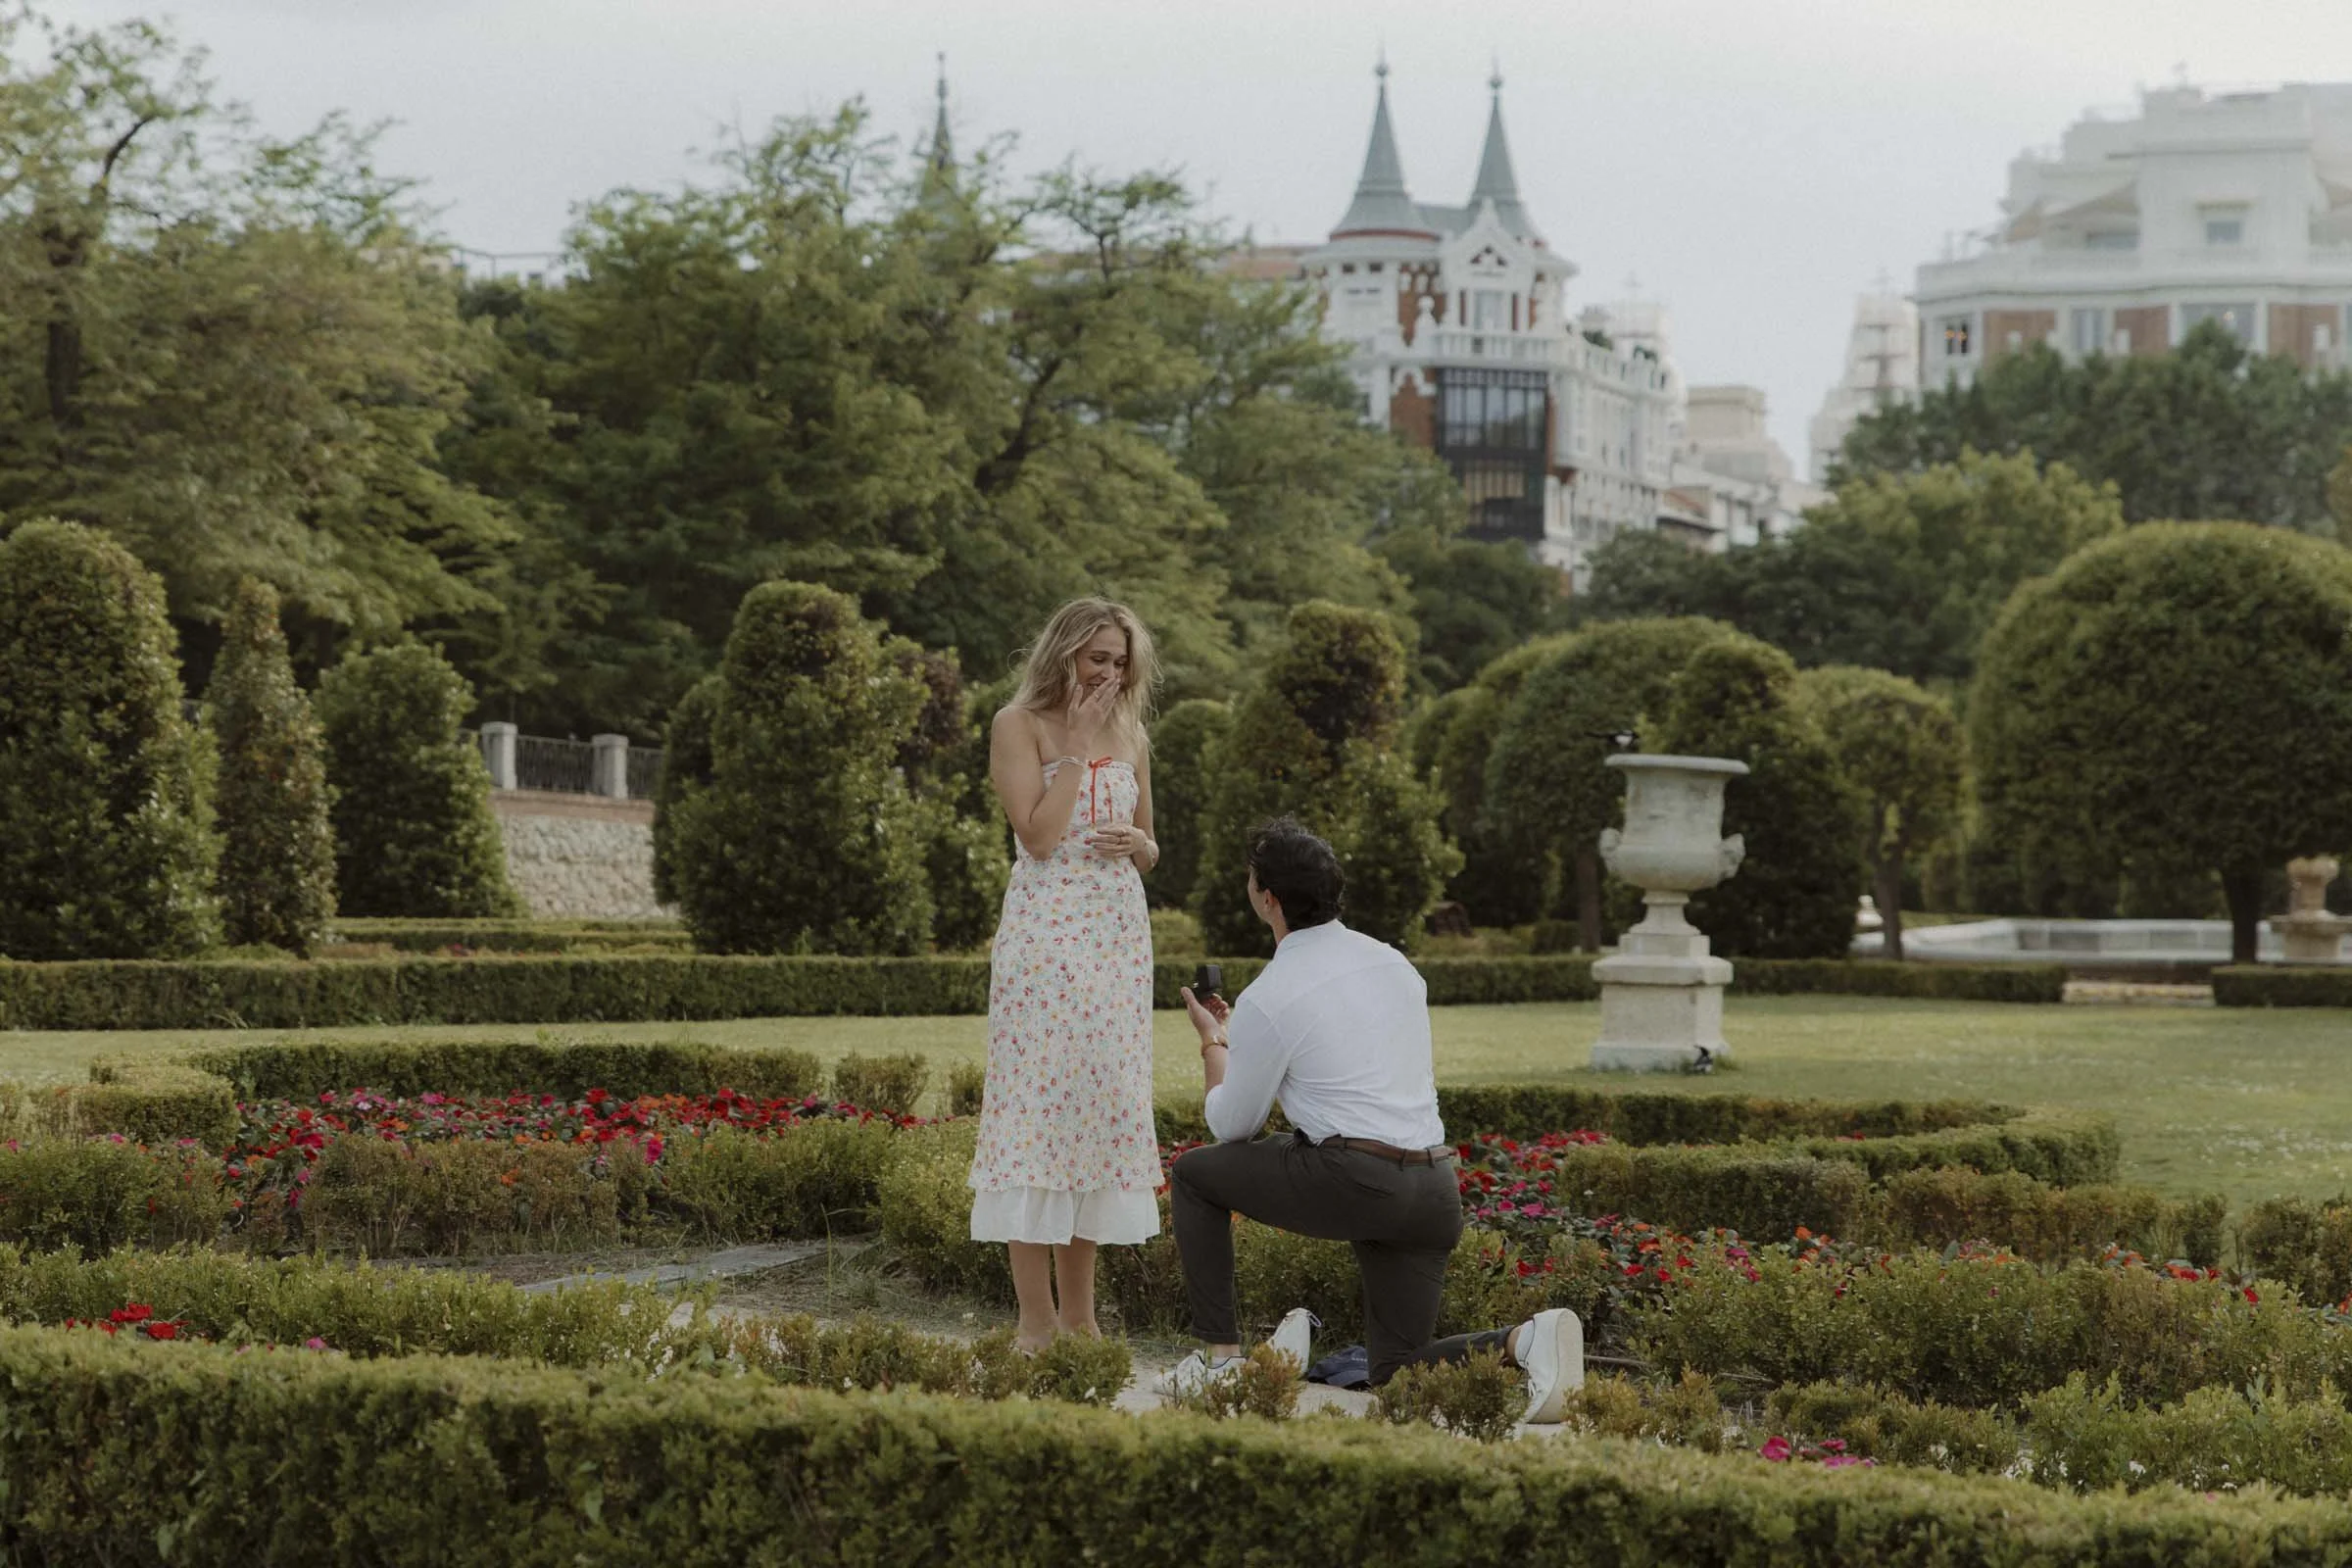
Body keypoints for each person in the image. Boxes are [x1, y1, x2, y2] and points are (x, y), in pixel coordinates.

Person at [1160, 817, 1582, 1422]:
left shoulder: (1271, 994)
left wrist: (1214, 1043)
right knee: (1396, 1372)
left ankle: (1220, 1361)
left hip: (1357, 1180)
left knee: (1196, 1174)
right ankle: (1524, 1339)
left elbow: (1232, 1127)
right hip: (1435, 1190)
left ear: (1267, 897)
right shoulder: (1395, 966)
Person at [968, 598, 1164, 1353]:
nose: (1110, 674)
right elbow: (1041, 838)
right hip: (1047, 938)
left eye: (1120, 662)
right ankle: (1035, 1320)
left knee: (1097, 1113)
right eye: (1098, 659)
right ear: (1065, 654)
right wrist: (1077, 748)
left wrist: (1139, 845)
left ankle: (1081, 1319)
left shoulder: (1133, 731)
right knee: (1036, 1117)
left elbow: (1151, 843)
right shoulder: (1018, 724)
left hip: (1117, 937)